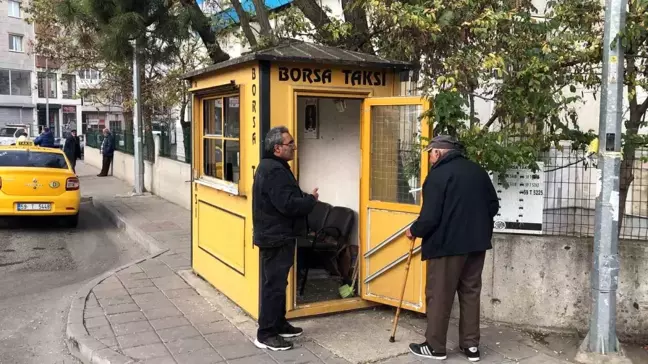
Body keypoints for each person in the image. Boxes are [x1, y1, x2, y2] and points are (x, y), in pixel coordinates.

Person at [406, 135, 500, 362]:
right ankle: (471, 346)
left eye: (430, 152)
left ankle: (435, 347)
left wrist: (414, 230)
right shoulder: (477, 171)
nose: (429, 157)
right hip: (476, 244)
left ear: (439, 152)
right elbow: (493, 206)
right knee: (470, 293)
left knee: (439, 295)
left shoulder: (438, 175)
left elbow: (430, 217)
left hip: (446, 246)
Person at [252, 126, 319, 351]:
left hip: (277, 235)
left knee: (279, 283)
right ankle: (266, 334)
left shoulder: (273, 166)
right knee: (274, 286)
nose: (294, 147)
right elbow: (287, 204)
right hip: (276, 237)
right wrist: (310, 201)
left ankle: (278, 323)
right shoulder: (274, 170)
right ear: (277, 148)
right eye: (290, 144)